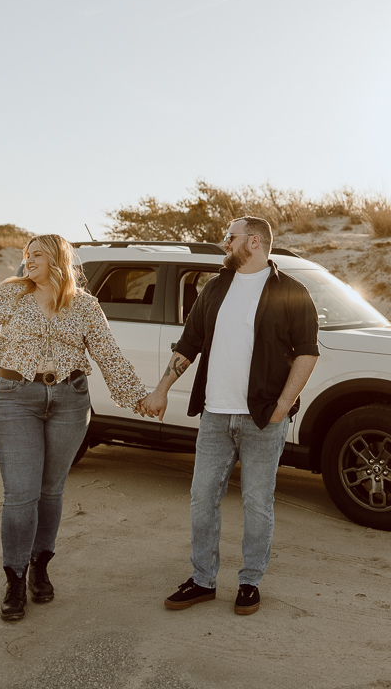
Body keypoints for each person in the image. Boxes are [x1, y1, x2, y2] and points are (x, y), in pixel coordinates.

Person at [140, 215, 319, 615]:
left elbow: (307, 352)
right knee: (202, 498)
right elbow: (190, 343)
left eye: (230, 237)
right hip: (215, 416)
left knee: (258, 502)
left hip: (262, 419)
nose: (224, 244)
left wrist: (282, 407)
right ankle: (203, 579)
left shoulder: (291, 291)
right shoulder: (215, 287)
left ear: (253, 242)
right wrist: (161, 389)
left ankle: (250, 581)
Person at [0, 234, 146, 622]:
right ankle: (15, 578)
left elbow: (108, 354)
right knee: (20, 494)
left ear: (57, 259)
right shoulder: (10, 294)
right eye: (26, 255)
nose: (28, 261)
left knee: (50, 492)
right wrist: (13, 359)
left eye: (37, 255)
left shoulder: (84, 305)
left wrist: (137, 398)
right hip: (15, 399)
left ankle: (40, 565)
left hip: (69, 401)